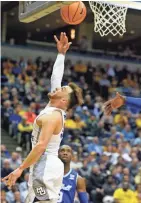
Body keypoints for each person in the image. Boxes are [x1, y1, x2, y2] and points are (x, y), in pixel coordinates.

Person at [2, 32, 84, 203]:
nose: (57, 87)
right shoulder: (55, 108)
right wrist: (61, 54)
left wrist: (19, 169)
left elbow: (40, 146)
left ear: (63, 100)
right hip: (45, 166)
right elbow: (56, 77)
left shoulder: (53, 116)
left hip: (45, 165)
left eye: (62, 89)